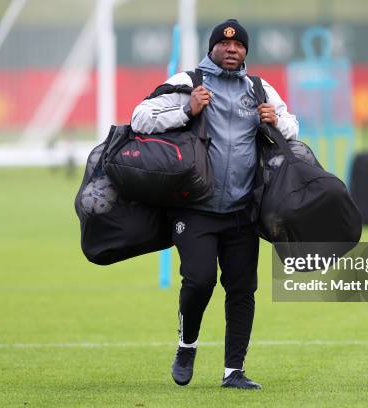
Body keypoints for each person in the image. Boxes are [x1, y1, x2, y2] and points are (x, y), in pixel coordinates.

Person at [131, 18, 298, 389]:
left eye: (238, 45)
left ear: (245, 52)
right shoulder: (187, 82)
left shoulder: (258, 87)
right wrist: (186, 110)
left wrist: (275, 121)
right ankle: (186, 345)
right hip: (195, 209)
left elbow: (292, 127)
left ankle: (233, 371)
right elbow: (139, 118)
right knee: (200, 279)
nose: (231, 49)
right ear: (212, 48)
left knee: (242, 290)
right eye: (224, 45)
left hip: (242, 212)